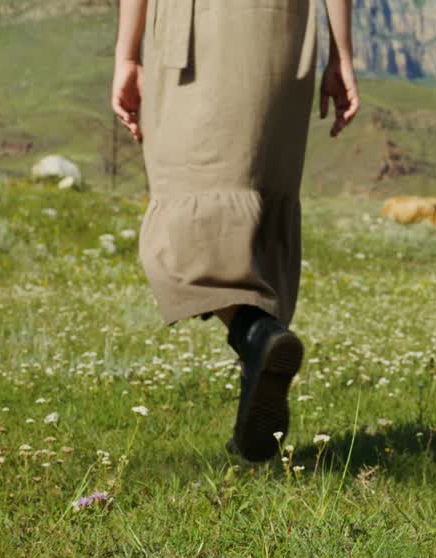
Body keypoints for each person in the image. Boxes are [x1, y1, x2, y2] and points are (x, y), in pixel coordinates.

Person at [111, 0, 359, 462]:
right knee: (258, 210)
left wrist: (126, 55)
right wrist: (341, 56)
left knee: (182, 221)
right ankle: (255, 393)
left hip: (197, 31)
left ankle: (255, 333)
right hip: (285, 30)